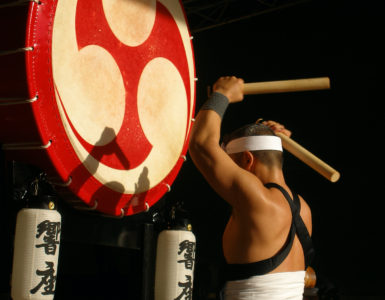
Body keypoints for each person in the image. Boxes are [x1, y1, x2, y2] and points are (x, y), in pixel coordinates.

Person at [188, 76, 314, 300]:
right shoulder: (302, 208)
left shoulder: (258, 200)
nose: (225, 169)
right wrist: (264, 135)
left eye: (230, 161)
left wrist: (222, 94)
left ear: (247, 160)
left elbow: (202, 143)